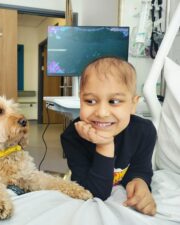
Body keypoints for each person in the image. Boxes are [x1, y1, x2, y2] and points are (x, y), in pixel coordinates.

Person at [61, 57, 157, 216]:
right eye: (90, 101)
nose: (102, 112)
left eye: (114, 101)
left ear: (133, 104)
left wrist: (139, 182)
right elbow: (94, 193)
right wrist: (104, 145)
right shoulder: (72, 136)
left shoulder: (144, 131)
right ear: (80, 99)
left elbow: (140, 169)